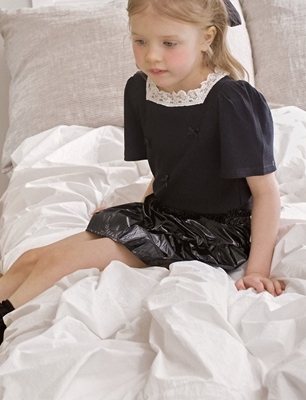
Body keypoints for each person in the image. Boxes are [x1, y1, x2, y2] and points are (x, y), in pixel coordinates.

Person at [0, 0, 284, 344]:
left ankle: (5, 318)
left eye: (169, 43)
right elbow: (171, 169)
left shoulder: (231, 99)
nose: (152, 56)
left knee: (63, 260)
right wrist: (133, 216)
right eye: (140, 41)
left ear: (206, 38)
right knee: (33, 258)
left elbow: (266, 192)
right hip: (163, 215)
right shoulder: (140, 89)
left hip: (213, 233)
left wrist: (257, 270)